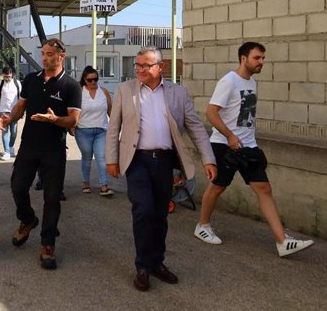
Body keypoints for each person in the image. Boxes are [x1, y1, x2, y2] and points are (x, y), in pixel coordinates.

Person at [105, 46, 217, 291]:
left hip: (164, 162)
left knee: (159, 216)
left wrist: (209, 159)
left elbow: (196, 127)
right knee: (143, 211)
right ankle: (143, 267)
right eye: (137, 65)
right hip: (137, 161)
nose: (140, 70)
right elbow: (113, 128)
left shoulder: (177, 93)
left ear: (160, 67)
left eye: (145, 65)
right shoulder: (126, 90)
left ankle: (157, 262)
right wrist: (111, 159)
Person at [194, 42, 314, 257]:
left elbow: (244, 118)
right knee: (217, 187)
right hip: (224, 145)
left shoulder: (252, 83)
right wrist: (230, 136)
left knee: (264, 189)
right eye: (257, 58)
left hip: (248, 147)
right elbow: (211, 113)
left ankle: (282, 241)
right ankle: (202, 226)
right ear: (244, 58)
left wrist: (247, 140)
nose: (261, 62)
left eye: (263, 59)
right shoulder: (228, 81)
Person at [0, 38, 81, 270]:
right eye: (43, 54)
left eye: (50, 55)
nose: (45, 58)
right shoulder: (31, 79)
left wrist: (55, 120)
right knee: (17, 186)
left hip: (54, 149)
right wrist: (8, 119)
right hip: (29, 146)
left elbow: (74, 119)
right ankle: (27, 219)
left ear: (61, 56)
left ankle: (47, 244)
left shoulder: (71, 86)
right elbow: (21, 106)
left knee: (52, 198)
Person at [72, 65, 113, 196]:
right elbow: (73, 111)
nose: (93, 82)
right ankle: (85, 183)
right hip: (83, 130)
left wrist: (115, 126)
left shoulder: (104, 92)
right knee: (87, 157)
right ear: (85, 80)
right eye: (90, 80)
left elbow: (111, 110)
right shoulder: (79, 92)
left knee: (101, 157)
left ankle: (104, 185)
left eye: (95, 79)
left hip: (101, 130)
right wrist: (72, 126)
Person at [0, 66, 21, 161]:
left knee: (13, 132)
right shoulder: (0, 84)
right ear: (3, 75)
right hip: (3, 111)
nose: (7, 78)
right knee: (4, 132)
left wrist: (21, 111)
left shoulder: (17, 83)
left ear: (12, 75)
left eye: (9, 76)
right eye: (5, 77)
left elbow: (21, 99)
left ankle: (11, 146)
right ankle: (6, 151)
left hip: (14, 112)